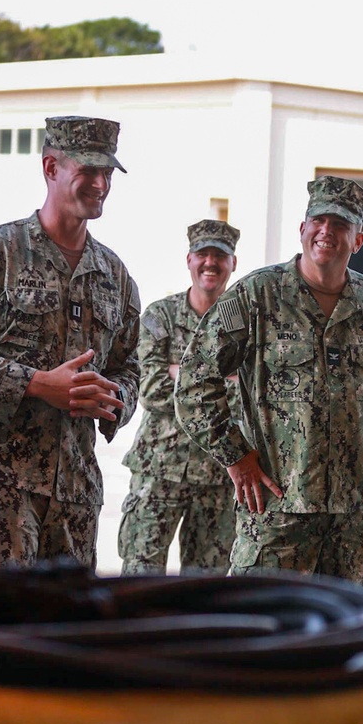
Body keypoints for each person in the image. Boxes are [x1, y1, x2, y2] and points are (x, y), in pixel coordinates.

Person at [175, 176, 363, 589]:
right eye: (319, 220)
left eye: (340, 225)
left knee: (348, 644)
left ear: (358, 240)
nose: (327, 232)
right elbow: (194, 380)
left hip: (352, 523)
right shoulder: (257, 295)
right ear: (303, 229)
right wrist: (236, 457)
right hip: (276, 516)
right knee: (265, 643)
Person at [0, 115, 140, 579]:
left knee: (64, 640)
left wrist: (113, 398)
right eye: (88, 171)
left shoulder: (115, 276)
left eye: (108, 173)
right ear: (50, 167)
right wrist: (36, 384)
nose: (100, 184)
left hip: (75, 496)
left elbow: (131, 366)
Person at [118, 219, 242, 575]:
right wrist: (221, 380)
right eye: (202, 254)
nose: (210, 263)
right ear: (188, 260)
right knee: (140, 576)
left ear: (233, 263)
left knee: (207, 589)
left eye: (220, 256)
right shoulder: (161, 316)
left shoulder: (243, 322)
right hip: (158, 470)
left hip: (220, 473)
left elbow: (252, 397)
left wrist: (180, 371)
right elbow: (151, 390)